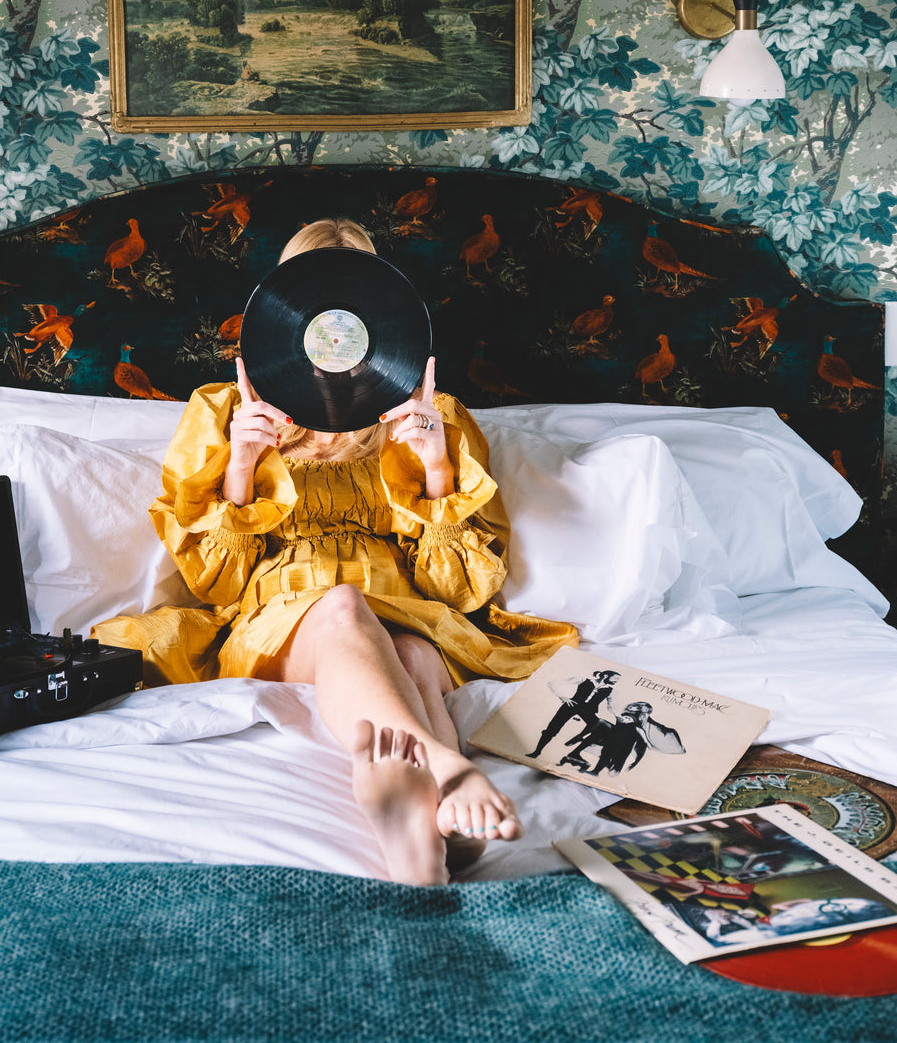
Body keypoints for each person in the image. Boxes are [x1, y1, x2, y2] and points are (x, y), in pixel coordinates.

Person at [94, 218, 577, 886]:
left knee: (412, 656)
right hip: (280, 617)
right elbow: (215, 582)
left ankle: (418, 832)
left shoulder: (430, 412)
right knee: (343, 607)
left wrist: (437, 465)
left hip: (407, 610)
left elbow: (457, 592)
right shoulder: (222, 410)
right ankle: (447, 766)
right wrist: (242, 463)